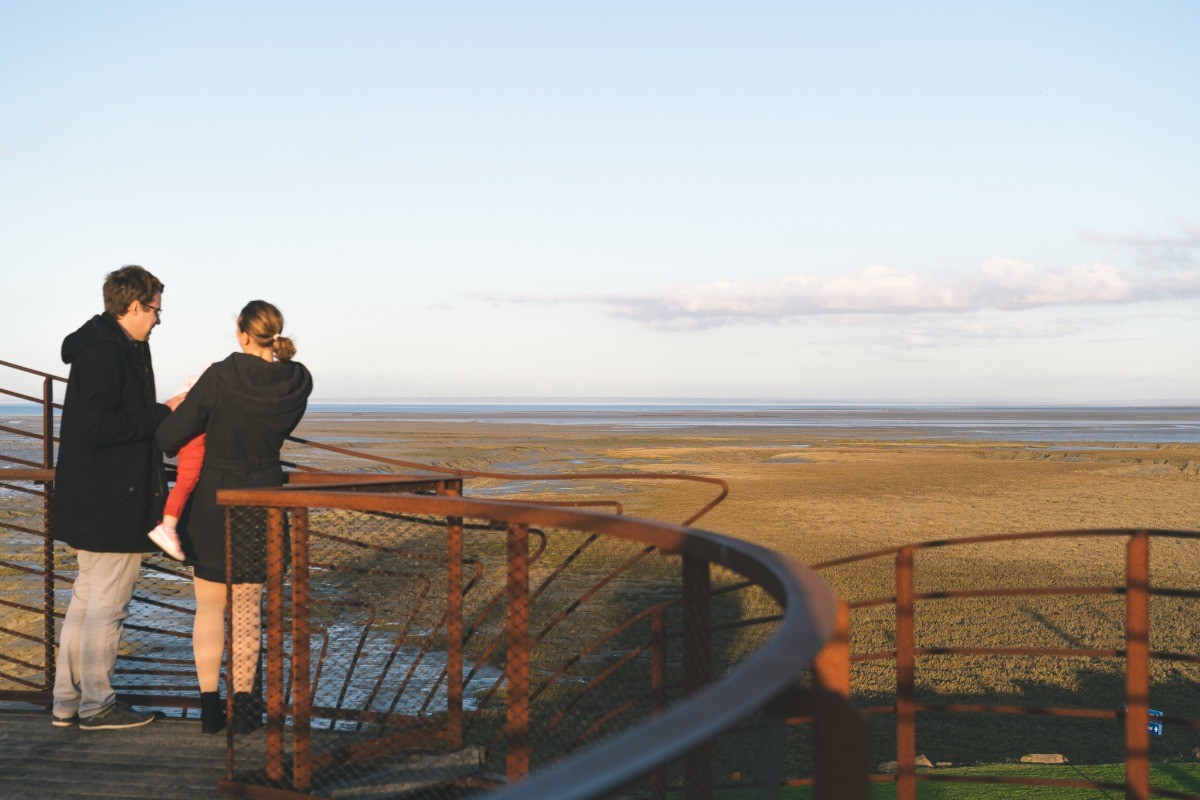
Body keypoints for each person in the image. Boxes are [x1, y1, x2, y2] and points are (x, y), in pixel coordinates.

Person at [155, 300, 312, 734]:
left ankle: (209, 708)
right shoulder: (298, 380)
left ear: (243, 333)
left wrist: (179, 405)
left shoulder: (220, 375)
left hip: (213, 501)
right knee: (248, 609)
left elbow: (170, 437)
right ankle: (243, 708)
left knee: (209, 609)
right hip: (264, 499)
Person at [51, 265, 186, 731]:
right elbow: (99, 426)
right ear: (133, 306)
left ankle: (67, 701)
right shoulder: (109, 354)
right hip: (113, 499)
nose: (157, 320)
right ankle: (97, 706)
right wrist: (163, 412)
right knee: (105, 609)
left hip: (95, 495)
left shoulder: (107, 346)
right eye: (154, 311)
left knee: (87, 602)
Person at [147, 371, 209, 561]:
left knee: (185, 483)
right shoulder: (202, 390)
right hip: (195, 440)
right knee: (186, 482)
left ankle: (168, 527)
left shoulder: (192, 387)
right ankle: (167, 527)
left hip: (190, 438)